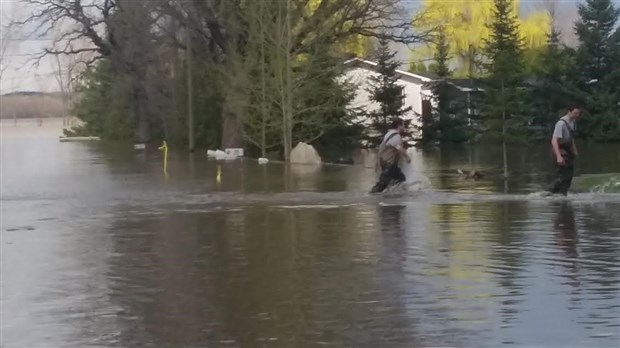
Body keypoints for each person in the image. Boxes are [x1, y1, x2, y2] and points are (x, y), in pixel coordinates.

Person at [370, 118, 411, 193]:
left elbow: (381, 148)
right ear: (399, 126)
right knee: (383, 184)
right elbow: (399, 148)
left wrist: (377, 162)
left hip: (389, 163)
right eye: (403, 125)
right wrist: (407, 157)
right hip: (389, 163)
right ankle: (372, 196)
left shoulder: (389, 134)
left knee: (401, 179)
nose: (404, 127)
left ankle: (394, 195)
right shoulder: (395, 136)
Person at [548, 105, 580, 195]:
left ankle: (563, 194)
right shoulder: (561, 123)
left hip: (568, 150)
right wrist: (559, 156)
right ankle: (552, 193)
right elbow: (554, 140)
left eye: (578, 113)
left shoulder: (573, 122)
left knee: (569, 175)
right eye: (575, 113)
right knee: (562, 175)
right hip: (560, 150)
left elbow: (571, 139)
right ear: (569, 112)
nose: (577, 115)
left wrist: (575, 151)